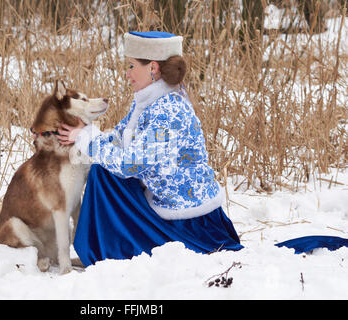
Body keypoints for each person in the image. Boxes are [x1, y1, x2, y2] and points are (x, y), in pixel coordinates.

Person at [56, 31, 243, 267]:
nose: (127, 73)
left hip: (191, 225)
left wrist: (87, 139)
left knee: (103, 173)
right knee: (103, 170)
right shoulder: (151, 101)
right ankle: (102, 249)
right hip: (170, 206)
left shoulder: (167, 111)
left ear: (153, 68)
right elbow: (120, 137)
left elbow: (128, 164)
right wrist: (84, 133)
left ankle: (105, 252)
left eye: (132, 66)